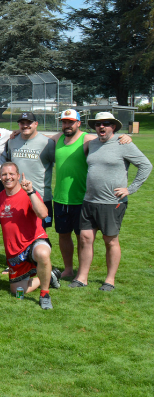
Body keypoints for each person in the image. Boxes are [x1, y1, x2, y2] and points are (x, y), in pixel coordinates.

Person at [48, 109, 133, 279]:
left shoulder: (88, 139)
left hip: (82, 198)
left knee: (83, 238)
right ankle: (68, 269)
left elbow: (108, 140)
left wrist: (125, 137)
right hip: (60, 197)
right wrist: (16, 133)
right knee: (63, 235)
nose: (67, 125)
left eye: (71, 122)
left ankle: (82, 271)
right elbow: (34, 138)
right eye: (64, 122)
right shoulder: (57, 139)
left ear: (78, 123)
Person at [71, 112, 152, 291]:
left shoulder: (123, 144)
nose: (101, 127)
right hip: (89, 200)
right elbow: (66, 135)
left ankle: (110, 280)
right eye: (98, 124)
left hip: (111, 202)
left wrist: (130, 189)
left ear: (113, 127)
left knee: (110, 241)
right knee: (85, 239)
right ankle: (82, 277)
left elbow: (146, 165)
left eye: (106, 124)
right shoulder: (91, 144)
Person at [0, 162, 59, 309]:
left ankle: (44, 294)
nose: (8, 177)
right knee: (17, 291)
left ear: (18, 176)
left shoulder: (29, 193)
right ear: (0, 177)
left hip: (34, 240)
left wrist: (31, 192)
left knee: (42, 253)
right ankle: (50, 276)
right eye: (4, 174)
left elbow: (43, 214)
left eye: (11, 174)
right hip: (15, 252)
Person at [5, 112, 54, 229]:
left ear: (36, 124)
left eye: (29, 123)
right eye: (22, 123)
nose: (25, 126)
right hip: (16, 195)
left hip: (40, 196)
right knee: (17, 230)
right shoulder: (12, 141)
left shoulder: (47, 143)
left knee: (40, 233)